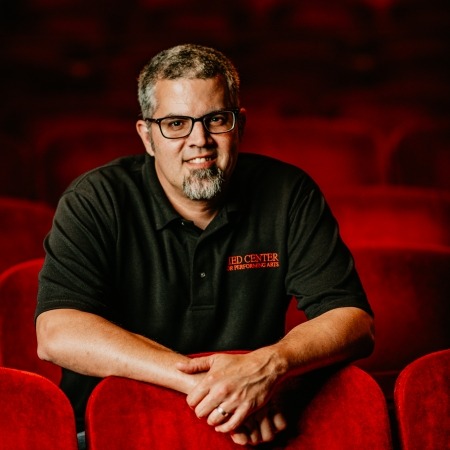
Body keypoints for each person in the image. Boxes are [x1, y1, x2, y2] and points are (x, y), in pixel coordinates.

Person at [35, 44, 374, 447]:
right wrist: (218, 388)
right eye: (176, 123)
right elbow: (57, 333)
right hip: (115, 427)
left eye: (216, 119)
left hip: (245, 432)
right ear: (147, 136)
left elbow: (353, 320)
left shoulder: (288, 193)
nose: (200, 141)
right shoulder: (96, 198)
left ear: (239, 124)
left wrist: (269, 366)